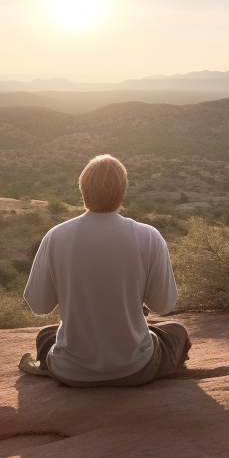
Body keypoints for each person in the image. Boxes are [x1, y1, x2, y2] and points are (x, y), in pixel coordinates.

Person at [19, 154, 191, 387]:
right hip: (136, 369)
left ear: (83, 189)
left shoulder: (56, 236)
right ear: (122, 191)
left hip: (71, 372)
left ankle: (47, 366)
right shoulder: (149, 236)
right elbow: (163, 306)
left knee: (46, 336)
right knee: (177, 332)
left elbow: (39, 307)